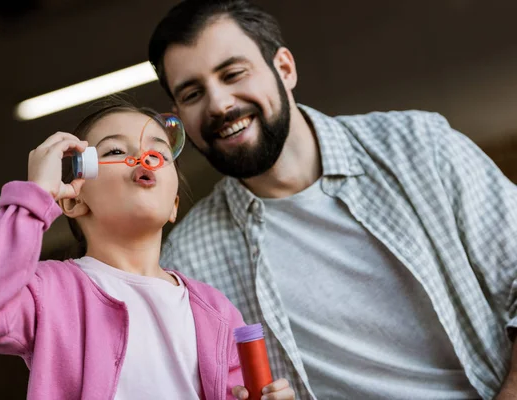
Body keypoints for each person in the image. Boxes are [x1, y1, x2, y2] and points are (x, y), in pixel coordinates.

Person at [148, 1, 517, 399]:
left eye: (233, 73)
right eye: (193, 93)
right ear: (180, 116)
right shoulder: (186, 265)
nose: (219, 104)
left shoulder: (421, 146)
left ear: (284, 69)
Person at [0, 97, 295, 400]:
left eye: (158, 152)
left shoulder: (216, 310)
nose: (144, 159)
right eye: (114, 151)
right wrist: (36, 197)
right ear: (73, 201)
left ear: (173, 205)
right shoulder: (50, 292)